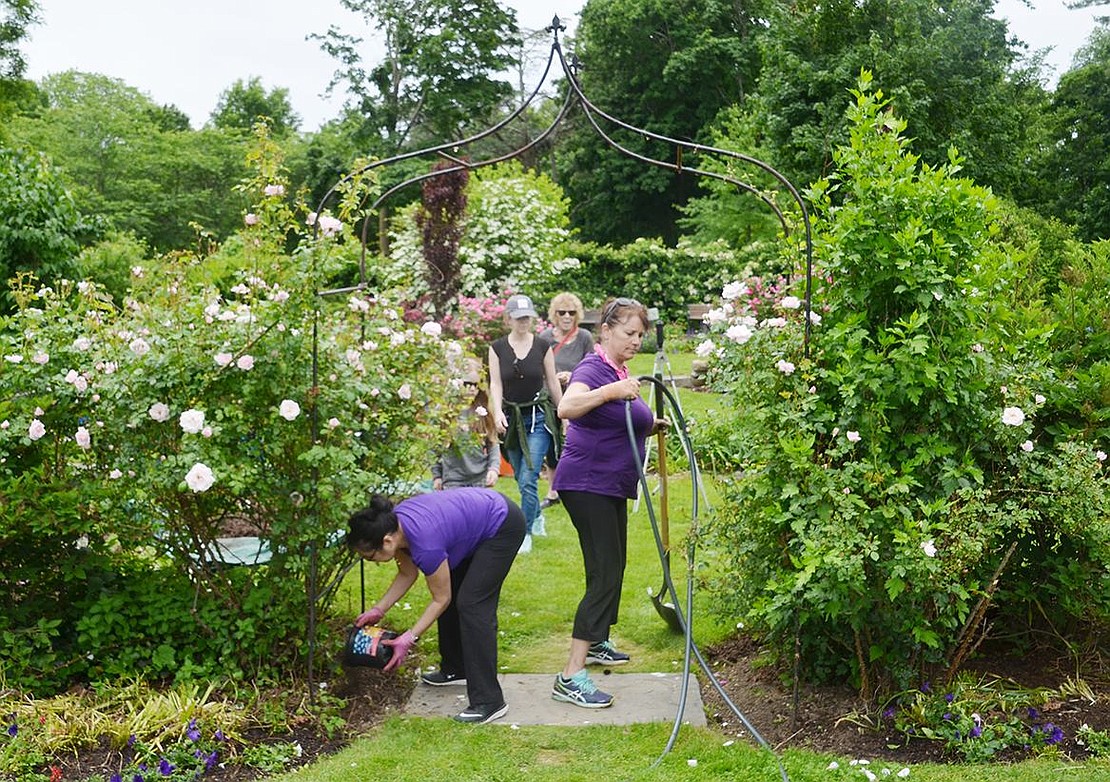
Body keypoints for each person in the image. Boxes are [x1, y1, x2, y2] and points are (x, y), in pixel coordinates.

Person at [550, 297, 665, 709]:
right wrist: (612, 391)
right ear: (606, 331)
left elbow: (616, 422)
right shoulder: (594, 370)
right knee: (604, 572)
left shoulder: (617, 370)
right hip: (587, 484)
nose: (636, 341)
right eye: (629, 333)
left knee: (612, 566)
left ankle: (597, 640)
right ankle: (570, 675)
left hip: (609, 485)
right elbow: (568, 407)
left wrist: (650, 426)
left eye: (640, 335)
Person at [347, 488, 525, 724]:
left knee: (472, 604)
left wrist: (408, 638)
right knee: (455, 590)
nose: (370, 562)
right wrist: (378, 609)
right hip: (473, 524)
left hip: (501, 524)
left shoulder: (425, 544)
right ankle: (456, 667)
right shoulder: (395, 527)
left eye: (370, 557)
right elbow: (406, 574)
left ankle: (489, 701)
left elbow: (441, 599)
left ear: (387, 541)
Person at [488, 294, 563, 554]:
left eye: (527, 318)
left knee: (530, 476)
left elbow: (552, 381)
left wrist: (563, 410)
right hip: (510, 419)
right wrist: (496, 412)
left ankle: (525, 532)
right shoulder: (497, 348)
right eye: (519, 318)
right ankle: (538, 517)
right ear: (508, 319)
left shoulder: (543, 346)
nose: (523, 322)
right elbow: (496, 383)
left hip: (537, 417)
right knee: (521, 477)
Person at [537, 292, 594, 511]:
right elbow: (537, 368)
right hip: (549, 398)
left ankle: (578, 485)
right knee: (552, 444)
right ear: (555, 314)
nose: (567, 316)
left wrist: (573, 375)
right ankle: (553, 491)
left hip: (576, 397)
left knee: (577, 440)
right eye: (562, 312)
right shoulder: (545, 338)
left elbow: (591, 364)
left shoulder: (584, 338)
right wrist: (552, 377)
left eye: (571, 312)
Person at [431, 359, 501, 490]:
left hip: (480, 479)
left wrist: (493, 469)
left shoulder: (483, 412)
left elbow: (493, 443)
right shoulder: (446, 413)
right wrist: (437, 476)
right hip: (453, 479)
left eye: (476, 384)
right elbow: (435, 448)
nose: (472, 389)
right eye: (467, 384)